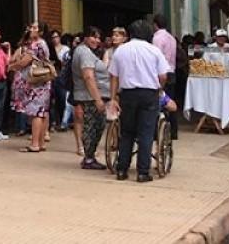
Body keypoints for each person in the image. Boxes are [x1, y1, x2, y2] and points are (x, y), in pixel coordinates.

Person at [109, 20, 169, 183]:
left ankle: (122, 169)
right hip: (148, 94)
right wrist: (160, 88)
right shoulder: (154, 51)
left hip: (127, 94)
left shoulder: (121, 51)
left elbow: (114, 77)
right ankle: (143, 172)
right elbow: (163, 76)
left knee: (127, 132)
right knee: (146, 132)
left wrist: (113, 98)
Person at [9, 21, 53, 153]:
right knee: (42, 112)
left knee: (36, 113)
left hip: (35, 82)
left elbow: (24, 61)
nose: (31, 29)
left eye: (34, 28)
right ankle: (40, 143)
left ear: (41, 32)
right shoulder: (44, 44)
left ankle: (34, 144)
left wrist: (11, 66)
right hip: (43, 81)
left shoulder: (36, 44)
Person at [71, 26, 110, 170]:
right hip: (90, 97)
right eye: (94, 37)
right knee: (92, 126)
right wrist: (98, 99)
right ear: (85, 37)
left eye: (99, 38)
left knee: (96, 125)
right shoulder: (84, 53)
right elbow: (88, 76)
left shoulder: (84, 51)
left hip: (91, 96)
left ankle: (90, 156)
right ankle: (88, 158)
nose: (97, 40)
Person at [152, 14, 178, 139]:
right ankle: (173, 131)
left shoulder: (157, 38)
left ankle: (158, 131)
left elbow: (155, 57)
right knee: (170, 101)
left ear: (155, 24)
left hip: (161, 73)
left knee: (159, 101)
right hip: (171, 71)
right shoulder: (172, 38)